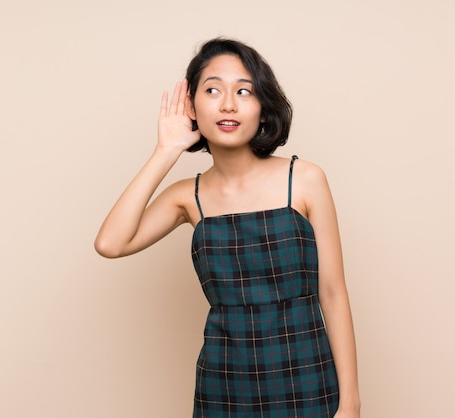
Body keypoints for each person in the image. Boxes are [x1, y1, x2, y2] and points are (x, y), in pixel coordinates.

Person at [95, 37, 361, 418]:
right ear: (193, 106)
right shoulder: (188, 196)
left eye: (244, 91)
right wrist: (166, 150)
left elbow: (333, 293)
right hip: (223, 383)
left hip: (307, 374)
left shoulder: (304, 179)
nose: (228, 104)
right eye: (213, 90)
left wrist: (350, 400)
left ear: (263, 108)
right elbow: (110, 243)